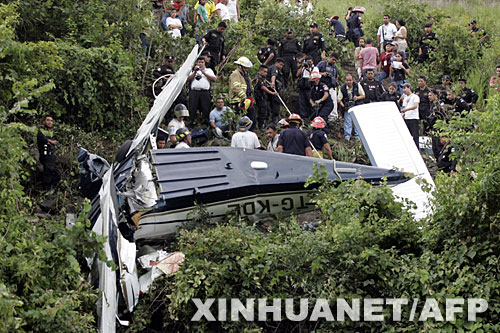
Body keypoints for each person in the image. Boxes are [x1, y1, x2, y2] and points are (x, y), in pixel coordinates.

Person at [187, 56, 216, 124]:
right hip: (194, 91)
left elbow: (214, 79)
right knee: (192, 107)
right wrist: (195, 72)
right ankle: (192, 121)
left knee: (206, 108)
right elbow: (188, 79)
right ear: (196, 63)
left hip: (205, 92)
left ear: (204, 63)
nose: (200, 64)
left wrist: (204, 73)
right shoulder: (192, 70)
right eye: (199, 62)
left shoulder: (209, 70)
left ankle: (206, 122)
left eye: (202, 62)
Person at [230, 56, 256, 128]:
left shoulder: (245, 74)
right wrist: (243, 96)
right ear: (240, 66)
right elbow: (235, 87)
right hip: (239, 100)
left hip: (247, 99)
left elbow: (247, 85)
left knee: (252, 118)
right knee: (240, 119)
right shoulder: (235, 74)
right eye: (245, 67)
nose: (246, 69)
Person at [338, 74, 365, 140]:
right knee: (348, 121)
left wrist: (357, 98)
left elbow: (363, 95)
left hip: (357, 105)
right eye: (347, 80)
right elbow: (339, 99)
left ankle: (357, 138)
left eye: (350, 80)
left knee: (357, 121)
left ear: (352, 80)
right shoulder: (342, 88)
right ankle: (347, 137)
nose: (348, 82)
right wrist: (343, 106)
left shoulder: (357, 85)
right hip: (348, 106)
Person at [37, 115, 61, 191]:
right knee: (48, 173)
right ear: (44, 121)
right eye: (48, 120)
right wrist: (50, 141)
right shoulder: (41, 129)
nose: (50, 122)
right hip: (45, 155)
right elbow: (41, 137)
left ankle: (51, 188)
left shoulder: (49, 131)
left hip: (51, 156)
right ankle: (47, 190)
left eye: (51, 120)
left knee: (56, 173)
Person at [400, 83, 420, 148]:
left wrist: (406, 110)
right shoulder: (405, 98)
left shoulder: (415, 97)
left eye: (405, 88)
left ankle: (416, 149)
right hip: (407, 118)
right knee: (407, 135)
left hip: (413, 118)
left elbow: (415, 106)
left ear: (409, 88)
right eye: (403, 88)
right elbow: (403, 107)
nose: (404, 90)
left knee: (415, 136)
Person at [266, 58, 285, 124]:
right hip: (272, 89)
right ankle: (274, 120)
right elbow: (273, 75)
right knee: (276, 104)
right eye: (280, 64)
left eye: (282, 65)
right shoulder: (275, 68)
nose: (281, 67)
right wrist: (273, 82)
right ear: (277, 62)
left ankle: (272, 119)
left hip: (273, 89)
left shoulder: (274, 68)